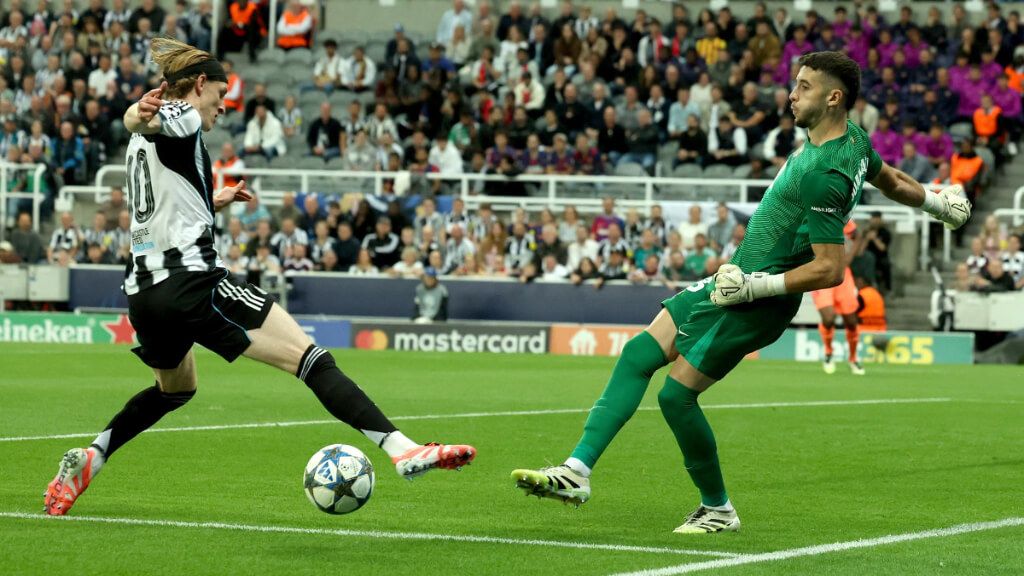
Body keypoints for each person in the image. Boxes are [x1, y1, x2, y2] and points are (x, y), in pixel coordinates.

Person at [511, 51, 970, 533]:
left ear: (835, 97)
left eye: (805, 86)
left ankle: (718, 510)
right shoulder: (853, 141)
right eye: (795, 84)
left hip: (757, 296)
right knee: (637, 354)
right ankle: (576, 471)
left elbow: (830, 269)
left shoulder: (826, 173)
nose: (792, 95)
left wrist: (755, 286)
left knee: (675, 398)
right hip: (737, 277)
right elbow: (891, 179)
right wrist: (939, 203)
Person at [43, 38, 475, 518]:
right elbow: (140, 117)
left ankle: (92, 457)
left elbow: (161, 183)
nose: (224, 107)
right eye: (220, 95)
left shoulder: (143, 146)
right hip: (193, 283)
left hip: (144, 292)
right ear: (199, 85)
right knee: (311, 358)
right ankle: (402, 449)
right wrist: (136, 108)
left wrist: (215, 201)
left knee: (177, 389)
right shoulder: (181, 116)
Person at [810, 220, 865, 375]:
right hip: (821, 272)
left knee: (851, 321)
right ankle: (828, 353)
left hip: (843, 274)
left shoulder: (842, 218)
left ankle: (853, 358)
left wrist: (850, 256)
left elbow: (857, 235)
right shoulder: (811, 215)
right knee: (828, 318)